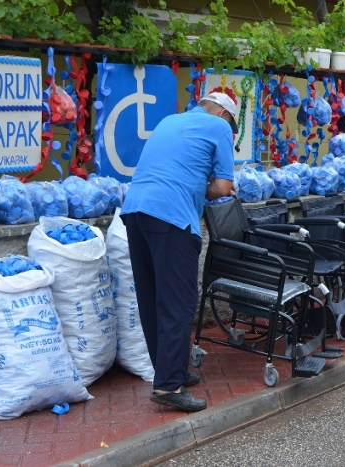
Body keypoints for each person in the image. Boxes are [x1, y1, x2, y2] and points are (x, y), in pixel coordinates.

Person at [120, 92, 237, 412]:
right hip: (172, 218)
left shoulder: (169, 121)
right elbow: (223, 188)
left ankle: (170, 371)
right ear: (225, 115)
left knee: (152, 296)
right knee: (179, 300)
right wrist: (208, 185)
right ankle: (170, 386)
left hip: (135, 212)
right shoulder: (220, 127)